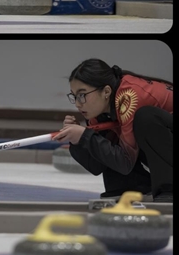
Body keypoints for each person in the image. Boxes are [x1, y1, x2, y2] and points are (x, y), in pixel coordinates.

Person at [53, 58, 173, 202]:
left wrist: (86, 135)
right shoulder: (100, 112)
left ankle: (169, 192)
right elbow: (96, 165)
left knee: (145, 117)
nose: (78, 104)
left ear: (106, 91)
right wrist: (77, 140)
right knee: (110, 130)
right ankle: (129, 189)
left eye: (82, 95)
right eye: (74, 96)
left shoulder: (129, 96)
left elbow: (125, 162)